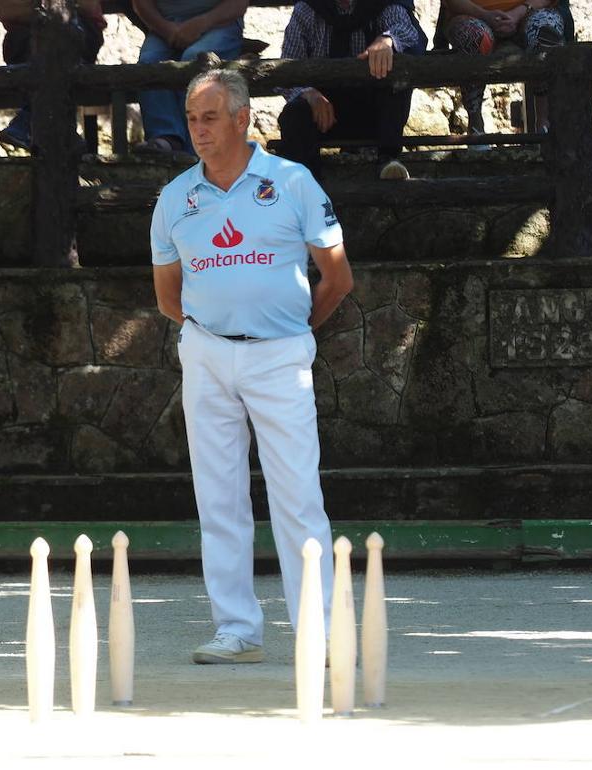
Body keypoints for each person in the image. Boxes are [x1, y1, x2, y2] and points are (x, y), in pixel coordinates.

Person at [150, 69, 353, 664]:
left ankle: (318, 635)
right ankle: (236, 630)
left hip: (280, 354)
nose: (198, 130)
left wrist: (289, 334)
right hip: (207, 353)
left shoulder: (292, 183)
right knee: (218, 498)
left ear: (243, 119)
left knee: (296, 496)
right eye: (191, 119)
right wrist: (210, 336)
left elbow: (337, 278)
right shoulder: (174, 198)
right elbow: (167, 296)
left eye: (209, 117)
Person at [275, 0, 427, 180]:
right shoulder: (307, 9)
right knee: (294, 113)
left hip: (375, 114)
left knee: (395, 88)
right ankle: (305, 183)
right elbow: (287, 69)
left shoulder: (384, 4)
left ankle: (388, 159)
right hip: (326, 115)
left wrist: (388, 39)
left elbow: (405, 29)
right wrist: (309, 94)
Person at [131, 0, 248, 155]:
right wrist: (168, 30)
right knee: (149, 63)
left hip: (219, 25)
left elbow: (237, 4)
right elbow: (141, 4)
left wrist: (201, 23)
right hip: (166, 25)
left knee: (195, 60)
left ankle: (197, 145)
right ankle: (166, 137)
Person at [0, 0, 107, 152]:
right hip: (26, 39)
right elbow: (8, 10)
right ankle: (63, 132)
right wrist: (54, 11)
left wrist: (40, 9)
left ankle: (27, 122)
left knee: (63, 38)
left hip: (80, 33)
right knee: (51, 44)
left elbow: (88, 5)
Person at [442, 0, 564, 136]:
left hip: (529, 11)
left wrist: (517, 13)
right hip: (473, 15)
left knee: (546, 32)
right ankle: (475, 123)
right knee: (474, 37)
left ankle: (544, 122)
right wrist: (485, 15)